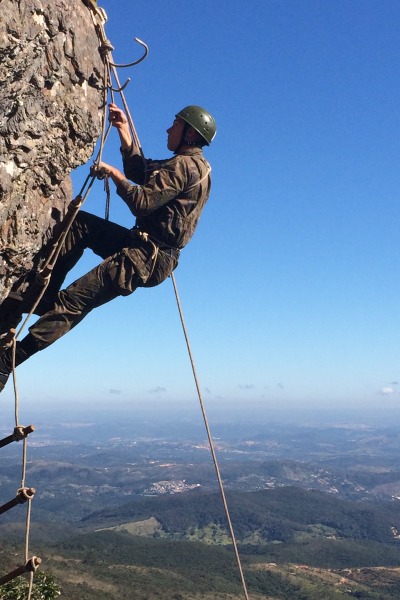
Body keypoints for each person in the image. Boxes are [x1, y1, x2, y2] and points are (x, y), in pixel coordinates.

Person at [0, 103, 216, 392]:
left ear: (189, 133)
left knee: (74, 302)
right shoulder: (190, 166)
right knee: (81, 225)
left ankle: (5, 364)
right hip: (144, 248)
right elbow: (144, 173)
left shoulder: (184, 166)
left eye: (175, 124)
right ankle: (45, 295)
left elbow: (143, 201)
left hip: (146, 257)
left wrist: (115, 175)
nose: (168, 129)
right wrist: (124, 131)